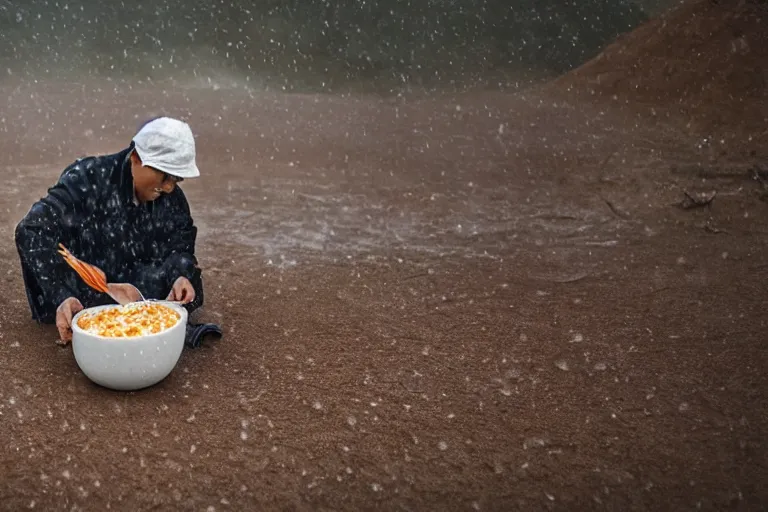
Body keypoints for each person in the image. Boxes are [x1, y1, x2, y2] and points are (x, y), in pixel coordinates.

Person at [15, 116, 220, 347]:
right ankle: (85, 309)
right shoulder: (87, 178)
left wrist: (180, 274)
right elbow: (31, 230)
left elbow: (180, 244)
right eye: (164, 175)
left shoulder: (172, 198)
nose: (169, 186)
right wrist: (60, 294)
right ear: (135, 158)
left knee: (190, 283)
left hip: (130, 276)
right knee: (88, 290)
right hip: (83, 282)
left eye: (177, 178)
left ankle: (136, 310)